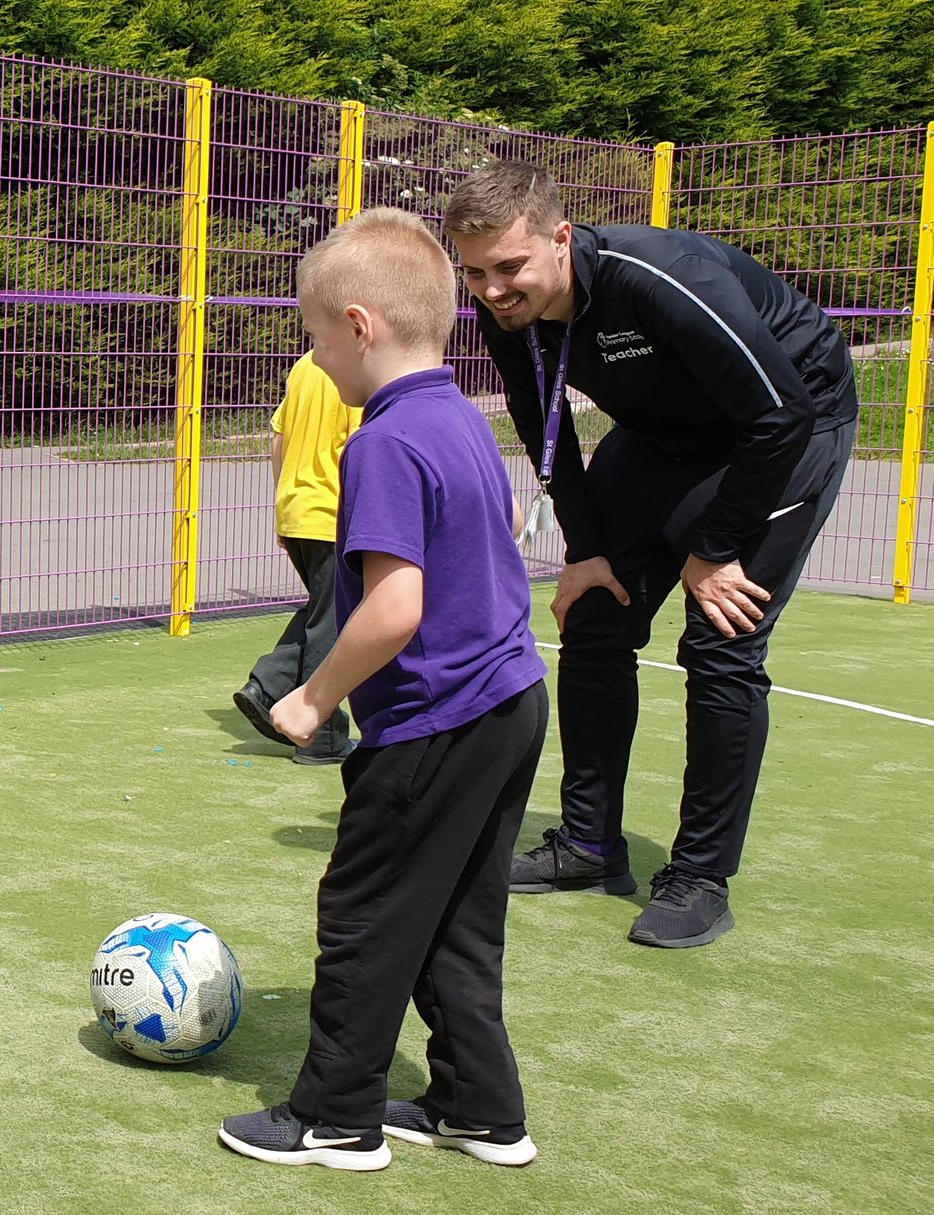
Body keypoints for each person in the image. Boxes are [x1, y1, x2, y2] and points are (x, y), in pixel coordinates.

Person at [444, 161, 857, 948]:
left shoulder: (659, 280)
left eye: (509, 267)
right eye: (474, 272)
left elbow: (782, 413)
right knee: (595, 617)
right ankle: (590, 844)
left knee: (721, 641)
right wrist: (586, 548)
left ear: (560, 239)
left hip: (786, 425)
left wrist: (713, 548)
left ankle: (701, 875)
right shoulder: (509, 318)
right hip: (664, 434)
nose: (493, 290)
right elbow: (546, 431)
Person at [218, 207, 548, 1172]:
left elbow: (394, 607)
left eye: (316, 341)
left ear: (359, 327)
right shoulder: (460, 419)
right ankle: (481, 1108)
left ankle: (335, 1118)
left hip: (435, 722)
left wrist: (313, 697)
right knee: (456, 915)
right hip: (510, 701)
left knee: (365, 913)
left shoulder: (383, 443)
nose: (314, 362)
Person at [232, 352, 362, 764]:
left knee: (324, 612)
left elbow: (279, 439)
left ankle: (269, 683)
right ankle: (321, 735)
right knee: (333, 622)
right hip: (332, 513)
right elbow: (363, 447)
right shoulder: (357, 368)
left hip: (297, 508)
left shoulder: (307, 364)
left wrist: (283, 506)